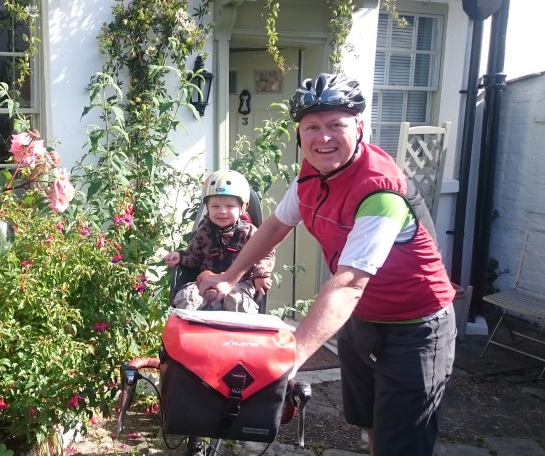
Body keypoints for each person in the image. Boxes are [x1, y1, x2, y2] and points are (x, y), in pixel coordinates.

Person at [198, 73, 457, 456]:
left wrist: (292, 355)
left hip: (415, 327)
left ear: (360, 127)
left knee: (402, 446)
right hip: (360, 321)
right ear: (299, 134)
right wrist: (228, 276)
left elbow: (350, 282)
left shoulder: (379, 188)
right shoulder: (311, 174)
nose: (324, 137)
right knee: (370, 426)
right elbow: (275, 226)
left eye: (337, 125)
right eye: (313, 127)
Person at [164, 170, 274, 313]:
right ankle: (190, 332)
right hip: (206, 283)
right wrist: (180, 257)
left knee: (236, 302)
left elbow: (265, 254)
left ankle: (237, 334)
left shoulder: (250, 232)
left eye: (230, 206)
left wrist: (261, 274)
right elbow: (194, 257)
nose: (222, 211)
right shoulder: (203, 231)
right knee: (187, 297)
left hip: (239, 284)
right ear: (207, 208)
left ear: (243, 208)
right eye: (215, 206)